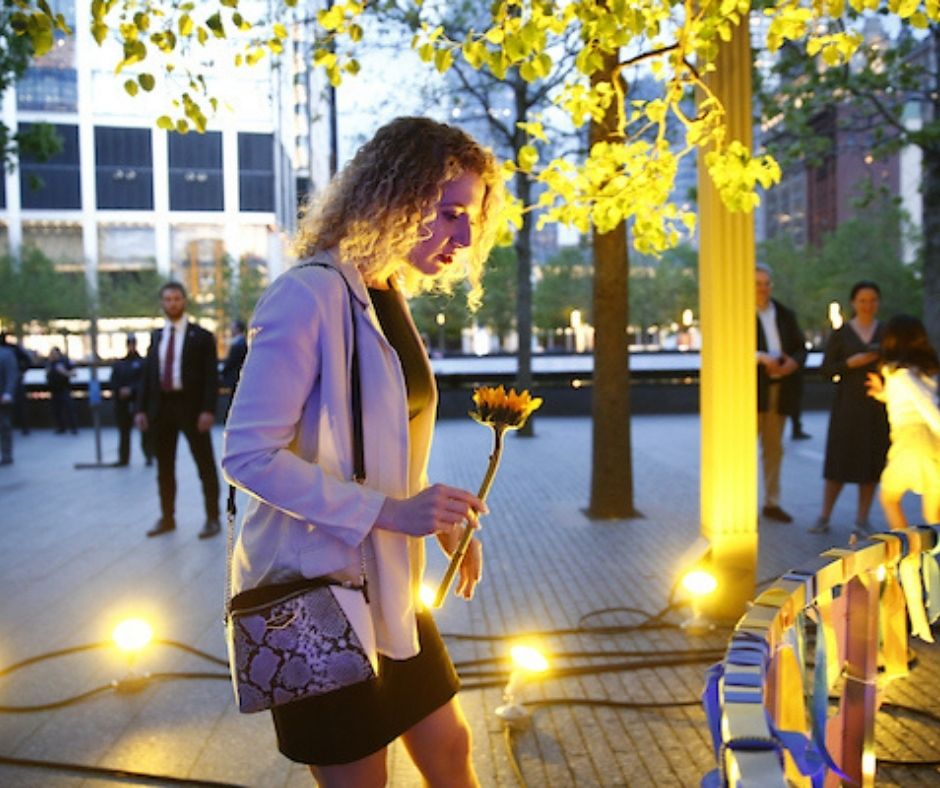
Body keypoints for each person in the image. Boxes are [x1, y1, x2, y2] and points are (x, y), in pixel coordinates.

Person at [222, 116, 504, 787]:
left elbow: (383, 442)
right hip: (316, 596)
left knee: (450, 751)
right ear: (395, 197)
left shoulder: (386, 295)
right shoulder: (308, 294)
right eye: (451, 213)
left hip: (389, 586)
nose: (465, 237)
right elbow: (247, 456)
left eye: (474, 217)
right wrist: (391, 512)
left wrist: (432, 514)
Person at [136, 282, 221, 539]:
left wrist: (208, 409)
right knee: (164, 467)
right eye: (167, 299)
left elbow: (210, 377)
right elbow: (148, 375)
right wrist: (141, 409)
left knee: (204, 464)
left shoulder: (202, 336)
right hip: (161, 408)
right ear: (162, 303)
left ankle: (212, 518)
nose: (172, 303)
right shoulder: (156, 337)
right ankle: (167, 517)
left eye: (176, 298)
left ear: (184, 301)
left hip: (192, 407)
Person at [810, 282, 889, 535]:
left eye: (873, 300)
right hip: (847, 404)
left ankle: (862, 518)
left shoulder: (886, 332)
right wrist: (849, 363)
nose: (868, 305)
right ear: (853, 302)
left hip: (877, 406)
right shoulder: (842, 333)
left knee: (871, 461)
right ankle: (824, 515)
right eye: (863, 300)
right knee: (840, 459)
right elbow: (825, 370)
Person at [865, 314, 940, 530]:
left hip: (911, 440)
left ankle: (908, 553)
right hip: (931, 441)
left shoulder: (899, 374)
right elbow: (911, 402)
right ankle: (925, 555)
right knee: (933, 513)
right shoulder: (926, 373)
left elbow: (925, 404)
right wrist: (884, 395)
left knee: (889, 496)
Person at [756, 263, 807, 523]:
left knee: (774, 449)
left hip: (781, 389)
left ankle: (772, 502)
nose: (763, 289)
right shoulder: (740, 313)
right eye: (757, 283)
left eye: (767, 283)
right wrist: (762, 358)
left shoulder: (785, 314)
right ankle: (739, 504)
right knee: (741, 450)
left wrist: (793, 364)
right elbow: (733, 347)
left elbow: (801, 348)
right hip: (752, 392)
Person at [110, 335, 152, 466]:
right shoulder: (120, 364)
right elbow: (113, 381)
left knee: (144, 431)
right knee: (124, 432)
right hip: (122, 403)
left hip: (138, 402)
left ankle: (148, 455)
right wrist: (120, 390)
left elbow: (145, 382)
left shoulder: (143, 363)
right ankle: (124, 458)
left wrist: (132, 390)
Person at [219, 319, 247, 421]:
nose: (231, 329)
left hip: (235, 378)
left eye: (233, 327)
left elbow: (231, 362)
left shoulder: (239, 344)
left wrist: (222, 371)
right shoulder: (240, 342)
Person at [46, 346, 78, 434]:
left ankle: (73, 427)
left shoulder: (65, 361)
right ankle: (60, 427)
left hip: (64, 388)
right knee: (56, 410)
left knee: (69, 408)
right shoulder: (50, 363)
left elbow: (74, 373)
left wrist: (64, 372)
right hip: (53, 389)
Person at [0, 342, 17, 464]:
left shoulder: (6, 354)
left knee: (4, 425)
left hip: (2, 397)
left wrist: (8, 393)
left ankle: (7, 455)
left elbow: (11, 374)